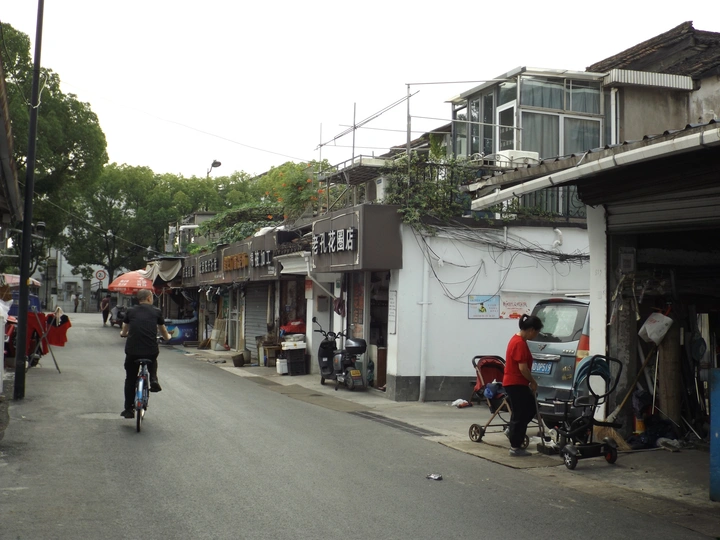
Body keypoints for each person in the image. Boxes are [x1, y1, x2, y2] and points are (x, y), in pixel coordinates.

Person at [119, 289, 171, 419]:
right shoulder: (156, 311)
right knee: (153, 357)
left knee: (130, 379)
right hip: (150, 350)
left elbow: (125, 329)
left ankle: (128, 409)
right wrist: (168, 337)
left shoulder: (131, 311)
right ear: (149, 298)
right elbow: (163, 330)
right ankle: (153, 379)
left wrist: (123, 334)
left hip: (132, 351)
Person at [502, 314, 543, 457]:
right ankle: (515, 446)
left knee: (530, 408)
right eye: (536, 332)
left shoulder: (519, 340)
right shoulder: (519, 343)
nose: (536, 336)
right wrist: (533, 381)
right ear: (531, 330)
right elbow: (523, 368)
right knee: (520, 414)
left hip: (517, 383)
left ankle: (513, 431)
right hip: (515, 383)